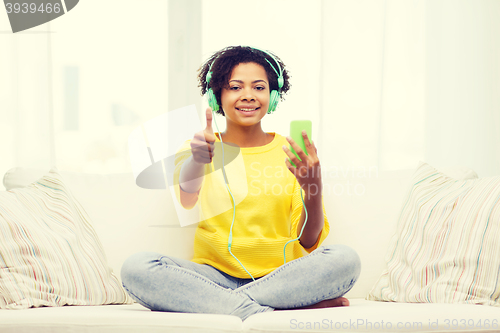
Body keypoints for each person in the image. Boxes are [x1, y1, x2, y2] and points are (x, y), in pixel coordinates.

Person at [121, 46, 361, 321]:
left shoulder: (291, 151)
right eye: (235, 87)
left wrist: (313, 189)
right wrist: (198, 160)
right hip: (214, 278)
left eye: (258, 87)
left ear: (272, 97)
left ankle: (229, 306)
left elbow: (307, 240)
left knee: (345, 259)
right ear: (216, 96)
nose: (248, 95)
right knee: (137, 267)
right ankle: (274, 310)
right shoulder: (200, 146)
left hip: (282, 279)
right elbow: (187, 197)